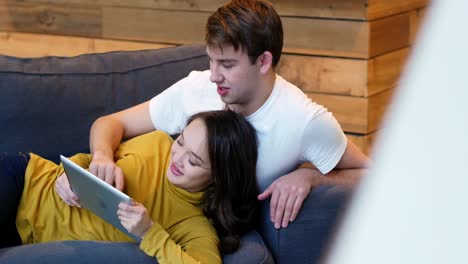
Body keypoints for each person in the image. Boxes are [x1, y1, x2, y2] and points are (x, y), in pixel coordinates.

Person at [57, 0, 369, 230]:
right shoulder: (196, 88)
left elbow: (373, 175)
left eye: (227, 65)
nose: (213, 76)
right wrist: (101, 157)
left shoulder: (305, 121)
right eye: (211, 61)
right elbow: (110, 123)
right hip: (155, 218)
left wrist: (309, 176)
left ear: (263, 62)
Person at [0, 110, 259, 264]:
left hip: (24, 236)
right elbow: (89, 159)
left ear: (218, 177)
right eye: (181, 142)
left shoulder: (192, 227)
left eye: (194, 160)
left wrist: (150, 233)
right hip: (26, 180)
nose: (177, 159)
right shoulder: (157, 144)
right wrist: (70, 174)